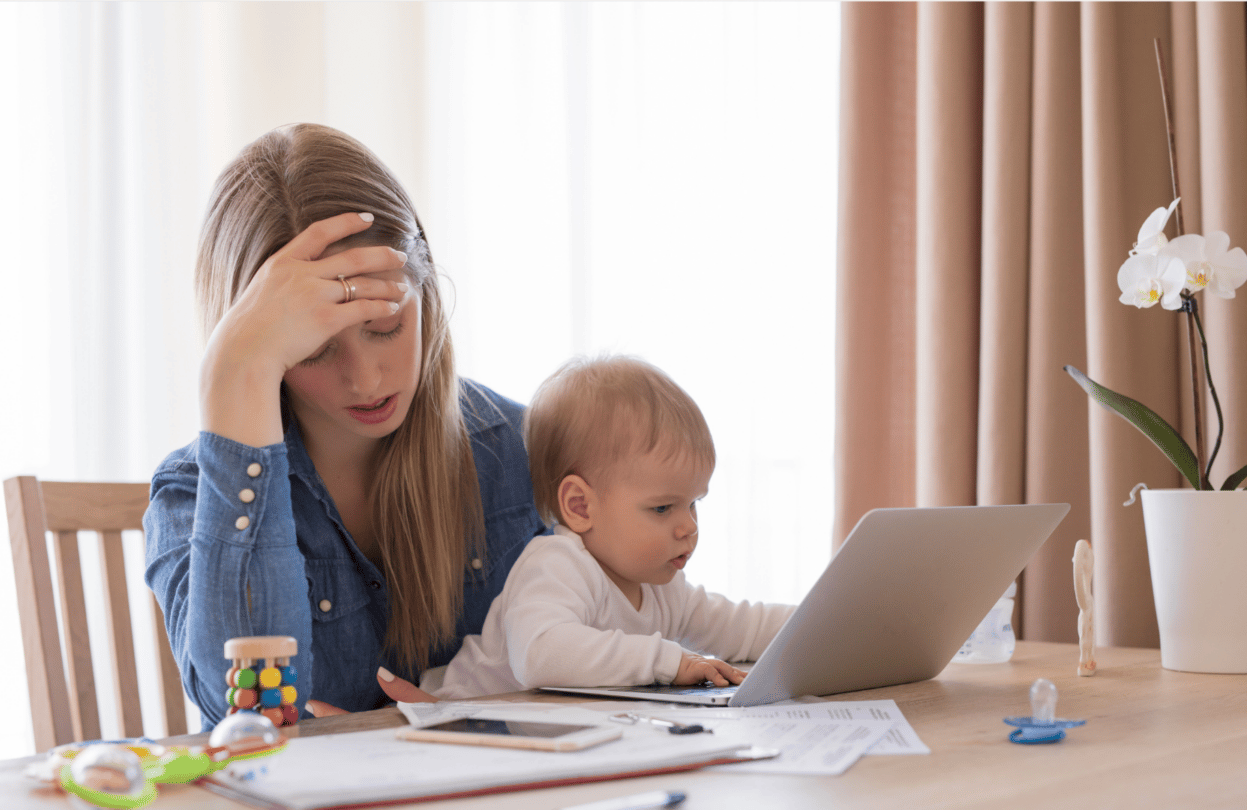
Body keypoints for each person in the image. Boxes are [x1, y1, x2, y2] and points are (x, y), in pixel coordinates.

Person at [143, 123, 546, 728]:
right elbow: (249, 717)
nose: (365, 379)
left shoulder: (517, 448)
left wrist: (464, 722)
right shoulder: (191, 494)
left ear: (425, 293)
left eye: (385, 325)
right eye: (314, 349)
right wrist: (230, 376)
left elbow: (623, 655)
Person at [390, 355, 795, 701]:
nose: (688, 526)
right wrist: (668, 661)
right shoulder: (557, 565)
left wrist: (839, 622)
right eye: (662, 508)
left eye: (694, 503)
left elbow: (744, 627)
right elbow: (540, 656)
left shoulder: (663, 586)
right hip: (459, 729)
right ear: (580, 506)